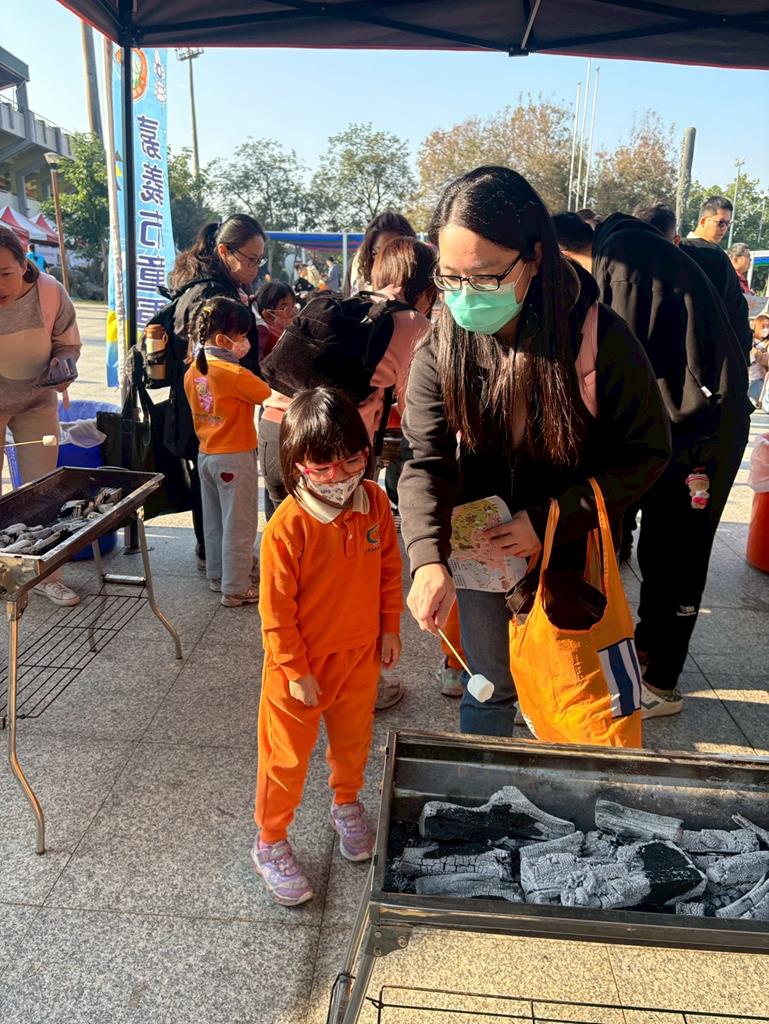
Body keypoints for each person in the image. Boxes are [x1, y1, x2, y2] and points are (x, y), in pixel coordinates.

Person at [399, 166, 671, 738]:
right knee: (488, 685)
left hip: (571, 546)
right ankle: (488, 783)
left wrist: (550, 520)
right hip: (480, 544)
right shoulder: (441, 342)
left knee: (576, 701)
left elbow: (647, 451)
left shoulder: (599, 337)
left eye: (485, 276)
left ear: (535, 256)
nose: (465, 296)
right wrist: (426, 558)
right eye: (451, 277)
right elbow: (425, 458)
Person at [593, 210, 753, 719]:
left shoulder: (637, 274)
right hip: (674, 425)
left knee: (681, 553)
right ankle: (647, 644)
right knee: (657, 547)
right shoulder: (647, 271)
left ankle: (663, 682)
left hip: (705, 435)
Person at [252, 387, 402, 905]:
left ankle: (347, 803)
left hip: (360, 655)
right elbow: (275, 612)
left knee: (353, 741)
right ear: (296, 465)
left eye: (351, 460)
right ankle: (270, 840)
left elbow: (388, 569)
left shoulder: (374, 501)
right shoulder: (287, 528)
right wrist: (295, 670)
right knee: (285, 759)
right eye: (323, 466)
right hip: (300, 667)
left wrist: (389, 627)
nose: (339, 476)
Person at [166, 214, 267, 572]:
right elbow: (218, 362)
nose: (255, 267)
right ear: (224, 251)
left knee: (210, 502)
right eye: (251, 258)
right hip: (221, 421)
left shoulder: (210, 285)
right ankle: (232, 577)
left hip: (204, 413)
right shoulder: (213, 294)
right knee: (232, 512)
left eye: (260, 260)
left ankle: (214, 565)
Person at [0, 226, 82, 607]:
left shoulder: (49, 293)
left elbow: (68, 343)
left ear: (24, 264)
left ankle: (46, 574)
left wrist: (64, 364)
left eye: (5, 273)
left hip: (37, 400)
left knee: (41, 492)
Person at [183, 296, 270, 606]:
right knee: (240, 524)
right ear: (222, 339)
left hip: (206, 454)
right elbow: (268, 395)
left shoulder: (193, 370)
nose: (245, 342)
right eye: (241, 336)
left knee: (215, 522)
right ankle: (236, 587)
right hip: (235, 456)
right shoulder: (234, 374)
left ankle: (218, 576)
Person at [348, 211, 416, 294]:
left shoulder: (421, 278)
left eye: (392, 253)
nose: (382, 261)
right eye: (376, 253)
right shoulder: (359, 264)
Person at [253, 281, 296, 361]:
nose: (292, 312)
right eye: (283, 308)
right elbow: (258, 359)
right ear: (267, 312)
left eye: (293, 306)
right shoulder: (264, 329)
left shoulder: (282, 329)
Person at [750, 312, 769, 406]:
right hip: (746, 379)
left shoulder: (767, 344)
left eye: (768, 326)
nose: (766, 329)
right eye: (763, 326)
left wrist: (758, 354)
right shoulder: (748, 341)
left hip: (759, 380)